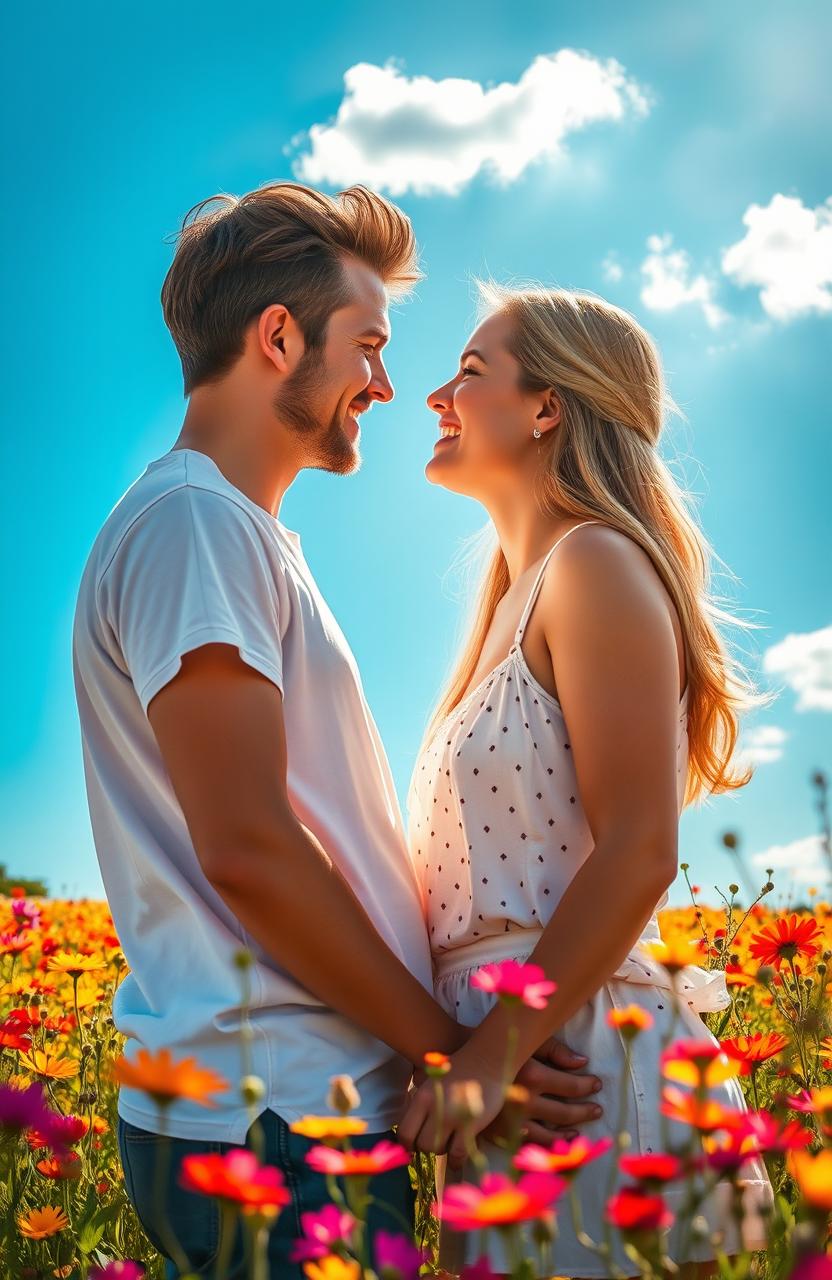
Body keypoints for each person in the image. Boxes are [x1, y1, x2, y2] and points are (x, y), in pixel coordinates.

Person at [71, 183, 604, 1280]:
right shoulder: (197, 524)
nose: (387, 382)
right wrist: (455, 1054)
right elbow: (251, 847)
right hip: (271, 1113)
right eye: (367, 343)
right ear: (278, 338)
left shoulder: (230, 532)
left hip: (297, 1104)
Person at [398, 282, 776, 1277]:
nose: (438, 393)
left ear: (546, 405)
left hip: (585, 1069)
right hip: (532, 1068)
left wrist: (491, 1055)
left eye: (471, 372)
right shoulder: (505, 605)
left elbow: (643, 845)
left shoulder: (595, 562)